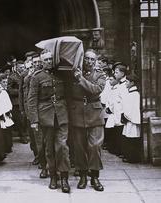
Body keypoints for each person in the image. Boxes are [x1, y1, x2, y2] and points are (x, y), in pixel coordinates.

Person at [28, 50, 71, 193]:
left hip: (62, 115)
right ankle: (53, 176)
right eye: (46, 59)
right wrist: (34, 120)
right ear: (41, 62)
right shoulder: (37, 77)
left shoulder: (62, 73)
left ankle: (64, 177)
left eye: (51, 59)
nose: (48, 62)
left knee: (62, 147)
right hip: (46, 116)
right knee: (49, 149)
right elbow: (32, 99)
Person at [70, 49, 106, 191]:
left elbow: (95, 90)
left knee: (95, 146)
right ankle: (83, 176)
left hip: (94, 114)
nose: (89, 62)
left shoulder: (100, 75)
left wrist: (80, 79)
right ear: (82, 59)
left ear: (95, 61)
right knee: (79, 147)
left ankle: (95, 177)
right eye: (87, 59)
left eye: (92, 59)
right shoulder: (74, 74)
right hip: (77, 112)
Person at [121, 73, 141, 163]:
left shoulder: (134, 94)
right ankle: (130, 156)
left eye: (127, 82)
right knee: (129, 137)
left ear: (132, 83)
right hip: (129, 118)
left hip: (131, 119)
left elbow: (133, 108)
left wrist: (126, 116)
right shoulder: (131, 93)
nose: (125, 83)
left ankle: (133, 158)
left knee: (132, 138)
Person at [7, 60, 28, 144]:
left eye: (23, 67)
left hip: (25, 100)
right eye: (20, 68)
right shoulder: (12, 77)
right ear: (16, 67)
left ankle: (26, 134)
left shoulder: (26, 75)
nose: (22, 69)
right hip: (17, 102)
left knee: (26, 119)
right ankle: (23, 136)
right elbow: (9, 89)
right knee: (20, 120)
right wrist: (20, 91)